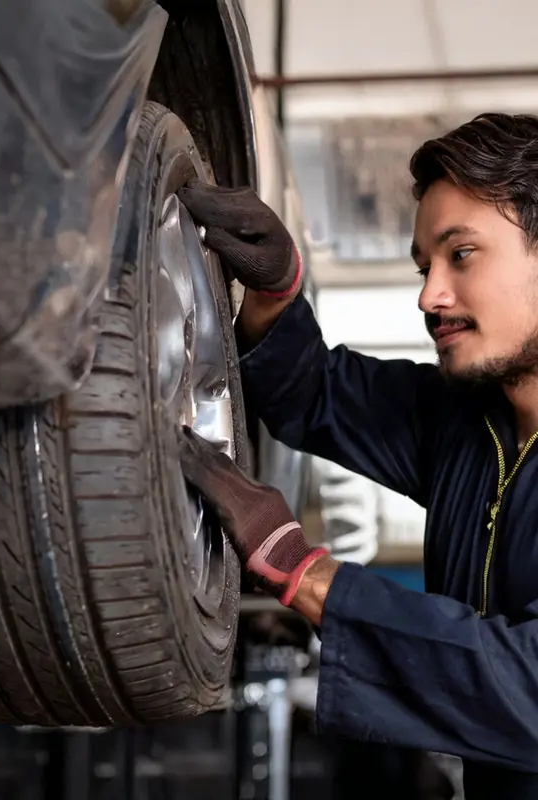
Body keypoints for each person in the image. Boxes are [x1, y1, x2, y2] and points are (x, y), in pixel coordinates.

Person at [176, 112, 538, 800]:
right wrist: (276, 288)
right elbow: (312, 392)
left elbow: (529, 690)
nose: (430, 295)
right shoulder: (469, 426)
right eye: (424, 266)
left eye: (461, 254)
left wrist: (302, 571)